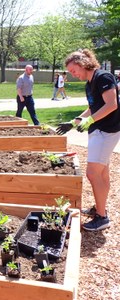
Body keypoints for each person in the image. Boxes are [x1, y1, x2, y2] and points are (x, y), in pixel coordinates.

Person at [56, 49, 120, 231]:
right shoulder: (89, 83)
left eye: (73, 70)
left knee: (93, 174)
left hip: (106, 131)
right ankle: (100, 208)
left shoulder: (103, 77)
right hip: (98, 130)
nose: (72, 74)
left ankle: (102, 217)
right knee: (102, 173)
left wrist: (90, 121)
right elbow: (93, 107)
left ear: (83, 63)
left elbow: (112, 105)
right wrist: (74, 121)